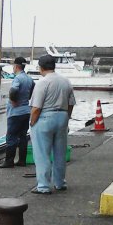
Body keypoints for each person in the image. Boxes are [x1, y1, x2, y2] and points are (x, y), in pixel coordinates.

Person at [29, 54, 76, 194]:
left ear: (41, 67)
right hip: (62, 116)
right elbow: (71, 103)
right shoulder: (66, 81)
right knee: (60, 153)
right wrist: (66, 117)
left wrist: (32, 122)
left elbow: (36, 108)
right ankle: (60, 183)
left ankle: (43, 186)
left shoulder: (42, 83)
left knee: (42, 154)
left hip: (45, 118)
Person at [0, 56, 34, 168]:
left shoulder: (17, 78)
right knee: (23, 136)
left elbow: (13, 90)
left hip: (16, 113)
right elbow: (33, 89)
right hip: (26, 111)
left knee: (11, 137)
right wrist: (27, 98)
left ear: (16, 66)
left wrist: (13, 100)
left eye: (13, 65)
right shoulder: (29, 78)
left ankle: (9, 161)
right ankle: (22, 160)